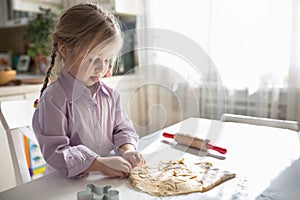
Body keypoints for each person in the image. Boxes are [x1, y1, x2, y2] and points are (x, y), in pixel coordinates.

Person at [32, 3, 145, 179]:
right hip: (62, 185)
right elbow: (56, 152)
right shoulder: (54, 99)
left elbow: (122, 128)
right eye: (93, 59)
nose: (102, 68)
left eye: (107, 60)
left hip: (103, 179)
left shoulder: (110, 95)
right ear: (65, 50)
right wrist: (99, 164)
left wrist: (128, 150)